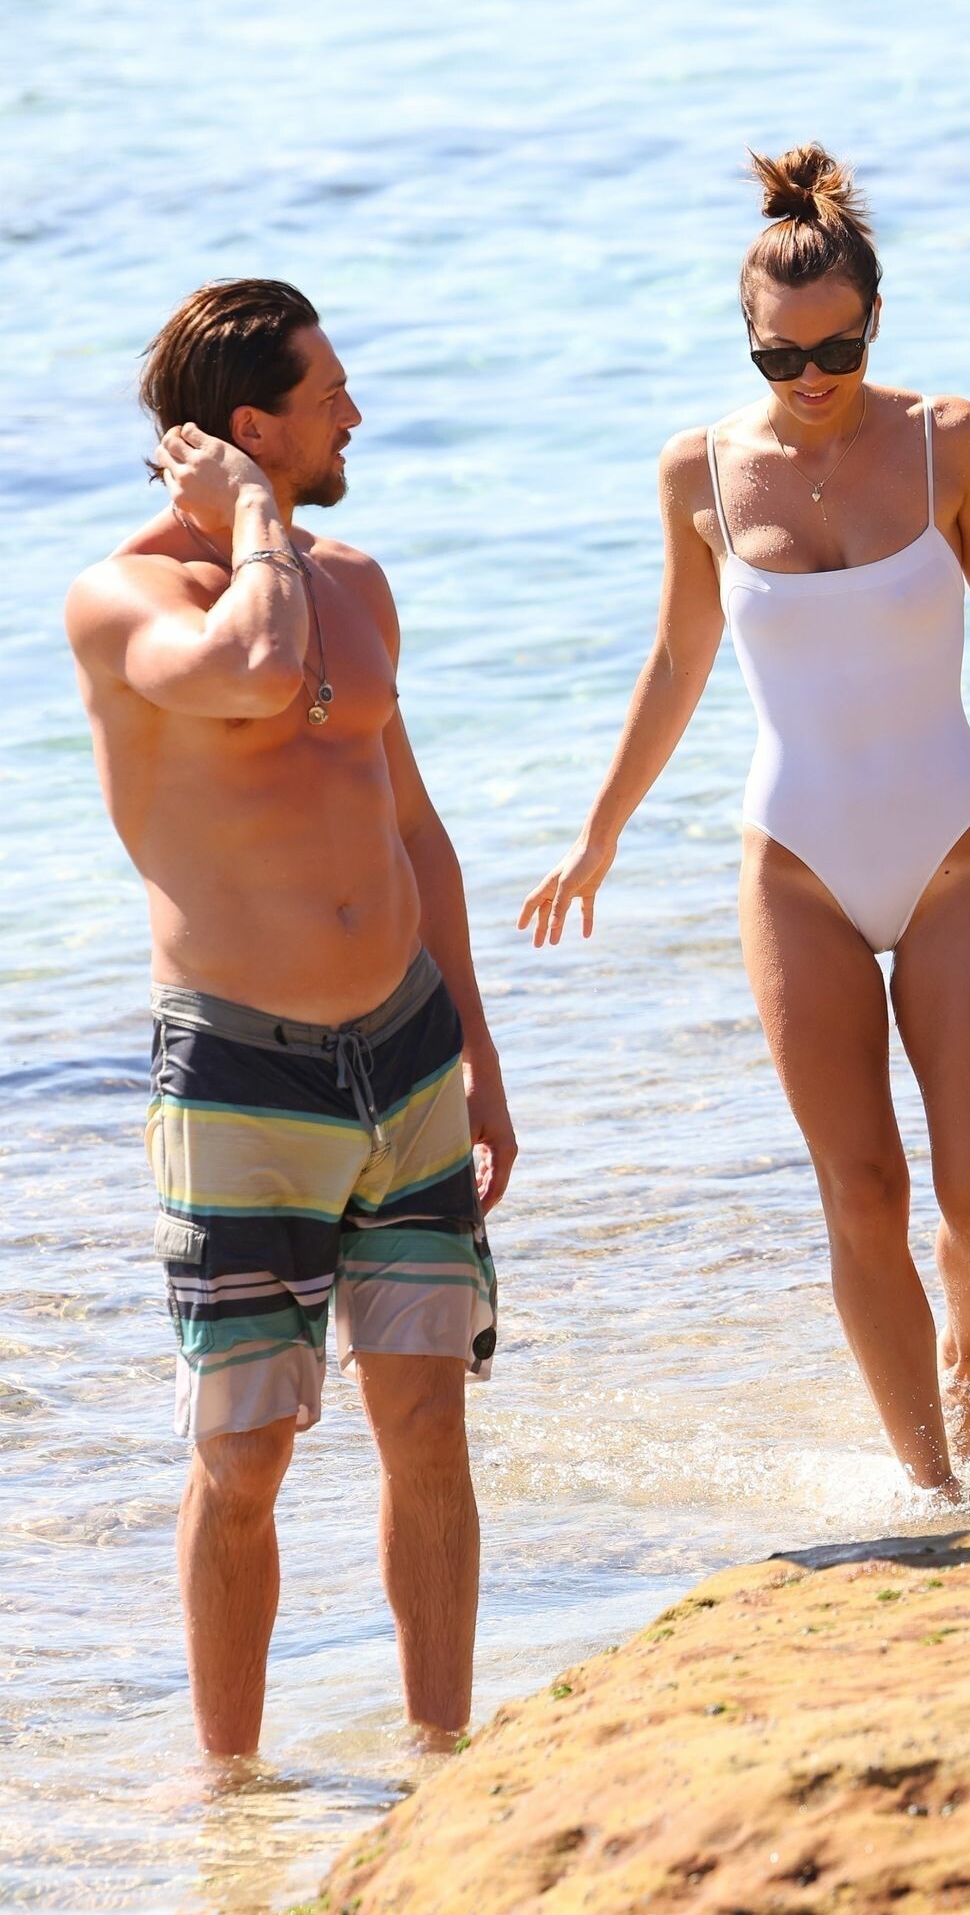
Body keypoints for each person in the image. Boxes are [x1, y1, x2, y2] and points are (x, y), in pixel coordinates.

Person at [518, 144, 970, 1502]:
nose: (812, 377)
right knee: (863, 1189)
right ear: (749, 342)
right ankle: (934, 1488)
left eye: (835, 349)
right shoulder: (699, 473)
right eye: (781, 356)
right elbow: (676, 662)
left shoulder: (948, 439)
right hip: (797, 865)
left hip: (950, 852)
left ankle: (969, 1354)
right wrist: (599, 834)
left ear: (875, 320)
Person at [63, 278, 517, 1757]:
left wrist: (478, 1050)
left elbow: (417, 831)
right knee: (245, 1454)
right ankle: (233, 1794)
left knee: (429, 1425)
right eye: (328, 399)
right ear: (252, 432)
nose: (356, 418)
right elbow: (254, 673)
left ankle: (443, 1754)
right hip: (242, 1075)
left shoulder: (357, 581)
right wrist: (255, 519)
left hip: (407, 1054)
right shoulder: (122, 600)